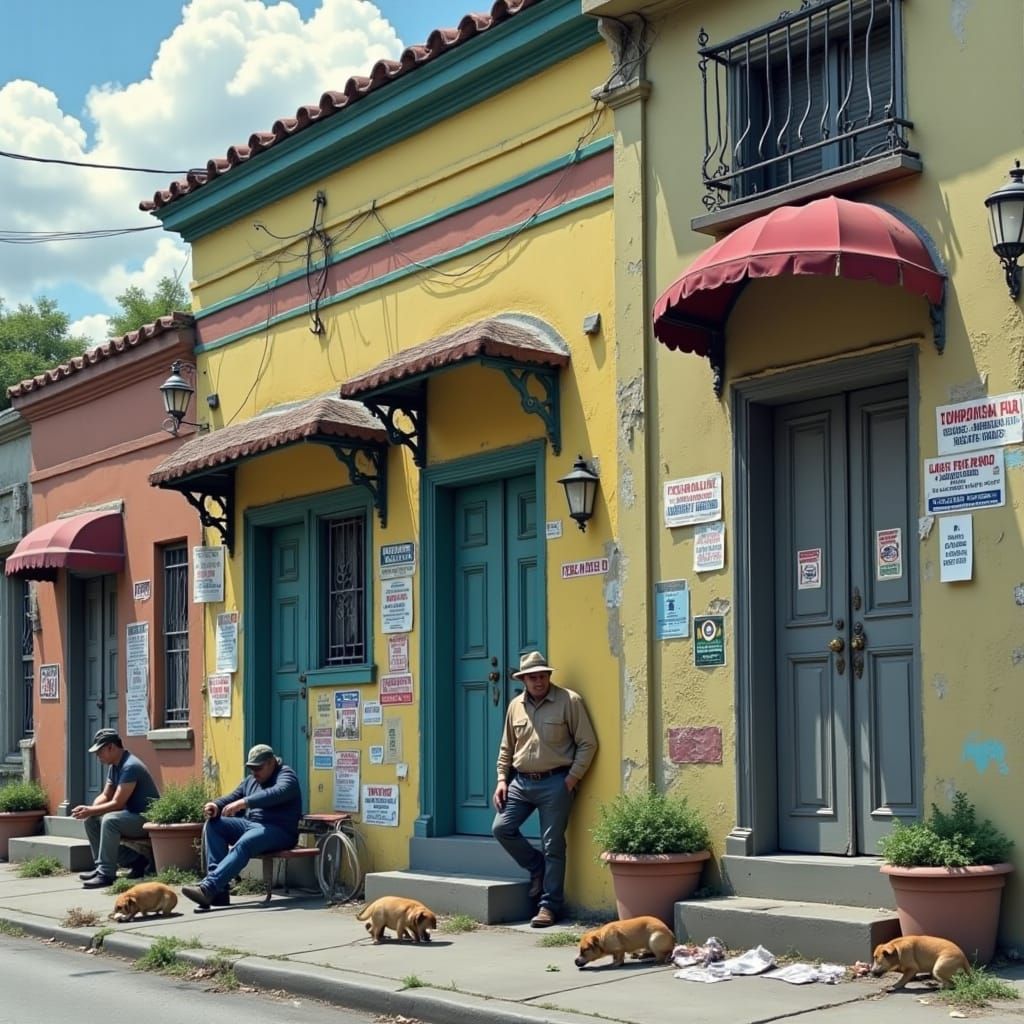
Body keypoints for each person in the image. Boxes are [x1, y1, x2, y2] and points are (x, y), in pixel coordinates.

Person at [492, 650, 598, 928]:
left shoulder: (569, 701)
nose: (539, 681)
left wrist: (571, 779)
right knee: (502, 828)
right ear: (523, 680)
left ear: (549, 676)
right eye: (533, 678)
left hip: (556, 782)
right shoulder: (515, 706)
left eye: (543, 676)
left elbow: (588, 743)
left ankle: (549, 906)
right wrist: (502, 779)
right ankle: (536, 866)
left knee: (553, 845)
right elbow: (506, 747)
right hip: (521, 782)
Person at [182, 743, 302, 910]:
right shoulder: (251, 780)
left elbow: (276, 793)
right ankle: (219, 892)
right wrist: (216, 805)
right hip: (251, 825)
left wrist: (244, 803)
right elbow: (234, 797)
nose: (254, 772)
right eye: (251, 768)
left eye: (258, 768)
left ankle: (208, 888)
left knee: (246, 842)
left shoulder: (286, 775)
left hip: (279, 831)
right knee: (215, 825)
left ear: (271, 762)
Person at [72, 728, 161, 889]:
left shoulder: (130, 766)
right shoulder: (114, 766)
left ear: (111, 747)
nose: (97, 756)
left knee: (110, 820)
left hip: (145, 817)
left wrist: (90, 810)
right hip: (130, 815)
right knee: (92, 820)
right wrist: (90, 810)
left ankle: (106, 874)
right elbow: (106, 795)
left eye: (99, 752)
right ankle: (130, 861)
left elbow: (117, 803)